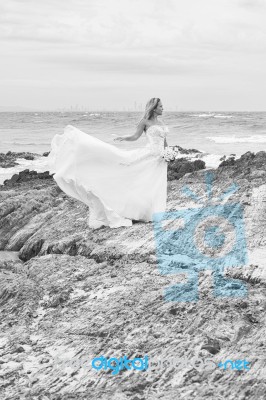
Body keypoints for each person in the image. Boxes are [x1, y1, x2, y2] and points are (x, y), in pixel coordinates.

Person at [47, 97, 169, 229]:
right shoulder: (144, 122)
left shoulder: (161, 123)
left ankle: (152, 212)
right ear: (154, 108)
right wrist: (124, 138)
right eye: (161, 106)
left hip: (160, 159)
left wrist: (169, 153)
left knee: (155, 184)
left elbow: (165, 141)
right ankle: (134, 210)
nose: (163, 108)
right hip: (149, 155)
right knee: (139, 178)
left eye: (162, 106)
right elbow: (135, 136)